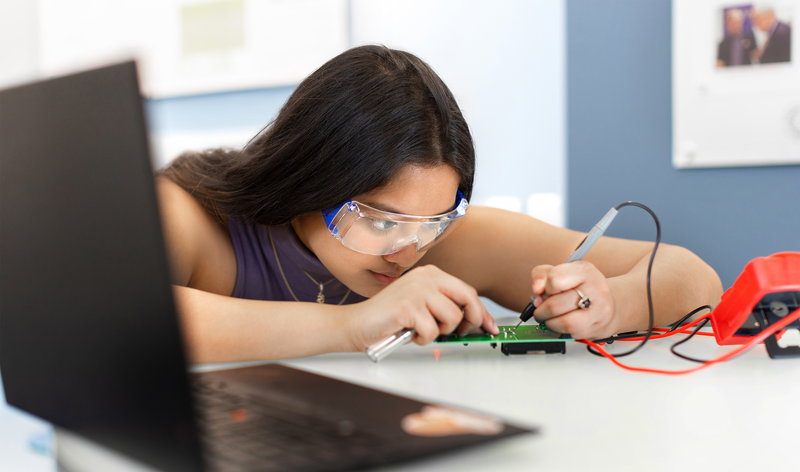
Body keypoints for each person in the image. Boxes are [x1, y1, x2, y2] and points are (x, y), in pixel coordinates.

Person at [155, 45, 723, 364]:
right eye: (377, 218)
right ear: (309, 176)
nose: (405, 249)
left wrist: (614, 303)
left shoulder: (442, 242)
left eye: (431, 221)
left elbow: (693, 275)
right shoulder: (189, 217)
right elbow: (124, 324)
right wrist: (355, 324)